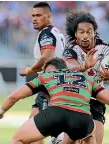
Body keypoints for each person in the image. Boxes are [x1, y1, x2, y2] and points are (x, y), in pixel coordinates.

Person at [0, 56, 109, 144]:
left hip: (55, 113)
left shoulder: (47, 76)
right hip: (82, 118)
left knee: (17, 140)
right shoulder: (87, 78)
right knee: (90, 135)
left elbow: (15, 95)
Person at [61, 11, 109, 144]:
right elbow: (68, 68)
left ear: (95, 32)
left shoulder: (108, 49)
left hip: (97, 100)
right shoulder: (71, 50)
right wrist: (83, 67)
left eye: (89, 31)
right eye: (81, 32)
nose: (85, 36)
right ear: (76, 34)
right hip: (76, 100)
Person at [19, 2, 65, 144]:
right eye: (32, 15)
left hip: (50, 87)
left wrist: (29, 70)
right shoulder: (56, 32)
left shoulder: (46, 33)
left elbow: (47, 56)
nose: (34, 18)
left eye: (38, 15)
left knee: (34, 132)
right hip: (54, 86)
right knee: (32, 129)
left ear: (48, 16)